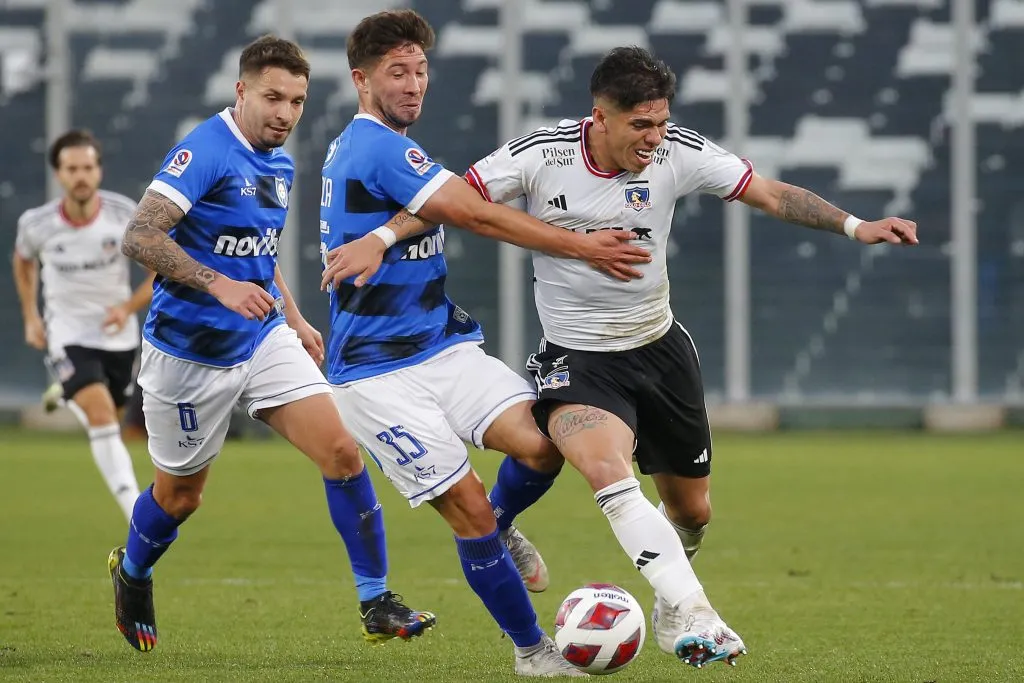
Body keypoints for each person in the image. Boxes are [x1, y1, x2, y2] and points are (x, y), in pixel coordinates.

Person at [334, 45, 919, 669]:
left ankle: (663, 607)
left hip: (661, 350)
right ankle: (696, 613)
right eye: (641, 125)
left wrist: (857, 226)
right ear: (600, 116)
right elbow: (453, 201)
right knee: (607, 474)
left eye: (661, 121)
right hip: (578, 361)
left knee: (692, 512)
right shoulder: (541, 155)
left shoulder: (680, 151)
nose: (654, 138)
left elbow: (769, 194)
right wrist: (382, 235)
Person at [318, 10, 650, 678]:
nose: (414, 85)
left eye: (420, 71)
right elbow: (470, 212)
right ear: (361, 79)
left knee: (543, 441)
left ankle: (501, 522)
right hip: (375, 374)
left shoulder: (386, 148)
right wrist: (582, 246)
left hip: (441, 345)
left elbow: (440, 206)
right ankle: (533, 651)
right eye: (397, 73)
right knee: (464, 504)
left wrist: (380, 237)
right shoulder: (374, 145)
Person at [106, 35, 433, 654]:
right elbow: (140, 234)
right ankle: (133, 572)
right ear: (241, 92)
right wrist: (217, 284)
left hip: (262, 336)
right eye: (273, 98)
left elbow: (259, 249)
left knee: (341, 450)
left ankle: (375, 599)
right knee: (180, 497)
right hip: (187, 354)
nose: (285, 113)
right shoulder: (205, 150)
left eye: (298, 101)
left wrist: (294, 315)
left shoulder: (279, 159)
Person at [13, 129, 151, 522]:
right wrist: (30, 316)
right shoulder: (37, 224)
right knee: (103, 415)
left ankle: (66, 389)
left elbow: (159, 273)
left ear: (99, 171)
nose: (81, 176)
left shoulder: (123, 215)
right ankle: (134, 512)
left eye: (88, 167)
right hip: (68, 333)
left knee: (111, 408)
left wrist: (126, 307)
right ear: (59, 174)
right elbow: (23, 262)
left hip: (117, 336)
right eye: (72, 168)